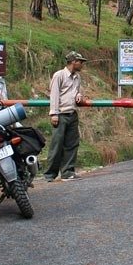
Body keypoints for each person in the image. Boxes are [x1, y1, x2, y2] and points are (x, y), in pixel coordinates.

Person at [43, 50, 87, 181]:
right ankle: (50, 174)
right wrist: (54, 113)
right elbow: (54, 95)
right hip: (61, 114)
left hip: (72, 113)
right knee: (57, 144)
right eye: (80, 62)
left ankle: (68, 172)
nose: (82, 65)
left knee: (72, 144)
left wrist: (79, 96)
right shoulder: (59, 75)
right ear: (73, 62)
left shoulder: (77, 77)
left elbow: (76, 91)